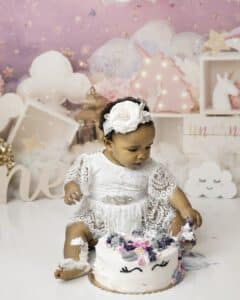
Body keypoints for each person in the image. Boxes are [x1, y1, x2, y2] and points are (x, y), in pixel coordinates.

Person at [54, 97, 202, 281]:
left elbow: (170, 188)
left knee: (174, 218)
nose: (142, 155)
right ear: (108, 143)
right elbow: (74, 177)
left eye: (148, 147)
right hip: (101, 218)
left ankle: (177, 247)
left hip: (141, 219)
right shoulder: (92, 162)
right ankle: (75, 262)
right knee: (75, 229)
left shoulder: (150, 166)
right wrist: (72, 187)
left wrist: (186, 208)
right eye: (133, 149)